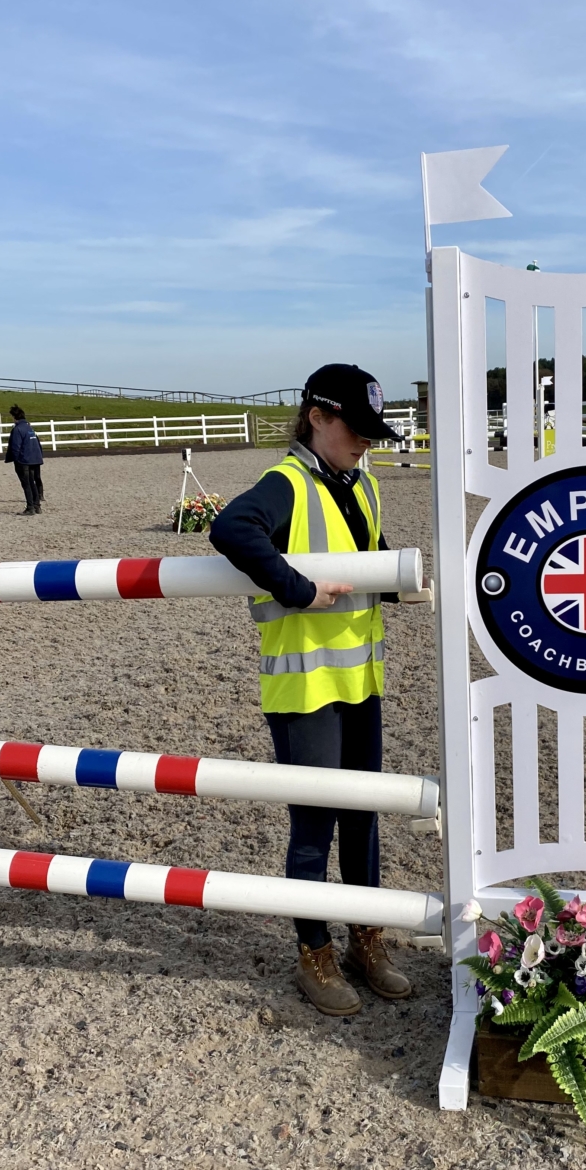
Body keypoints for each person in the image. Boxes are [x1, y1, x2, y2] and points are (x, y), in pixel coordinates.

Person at [210, 364, 428, 1016]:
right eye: (354, 429)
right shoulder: (286, 483)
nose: (364, 442)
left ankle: (366, 937)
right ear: (317, 418)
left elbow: (371, 552)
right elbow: (231, 528)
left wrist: (406, 577)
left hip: (361, 679)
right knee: (314, 825)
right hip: (304, 689)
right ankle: (313, 950)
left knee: (363, 816)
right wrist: (298, 588)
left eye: (370, 431)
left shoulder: (361, 484)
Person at [4, 405, 45, 515]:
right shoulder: (29, 428)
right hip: (33, 459)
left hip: (23, 461)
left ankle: (30, 507)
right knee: (32, 482)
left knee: (26, 484)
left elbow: (15, 447)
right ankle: (37, 506)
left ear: (14, 417)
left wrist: (16, 460)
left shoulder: (17, 429)